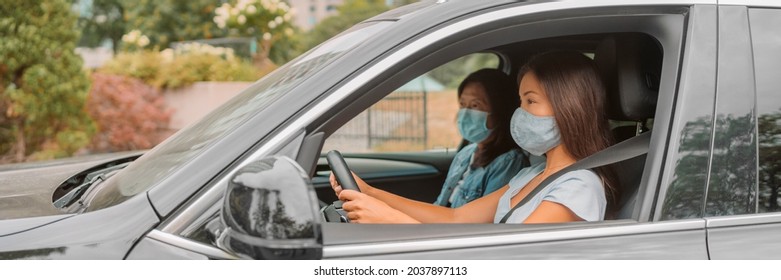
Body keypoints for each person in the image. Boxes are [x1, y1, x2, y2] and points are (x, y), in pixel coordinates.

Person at [330, 51, 618, 224]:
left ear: (570, 108)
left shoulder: (579, 187)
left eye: (531, 102)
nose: (519, 113)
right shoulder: (531, 175)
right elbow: (456, 217)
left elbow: (506, 259)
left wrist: (391, 221)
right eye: (520, 102)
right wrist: (370, 193)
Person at [434, 68, 529, 208]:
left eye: (475, 105)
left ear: (499, 110)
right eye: (462, 104)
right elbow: (440, 205)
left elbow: (482, 222)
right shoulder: (465, 154)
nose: (466, 113)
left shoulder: (508, 162)